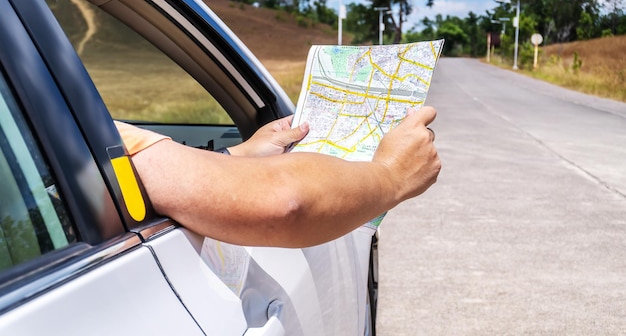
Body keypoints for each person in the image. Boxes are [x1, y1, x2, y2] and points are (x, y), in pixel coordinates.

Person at [116, 106, 440, 248]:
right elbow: (286, 204)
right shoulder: (87, 135)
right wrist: (392, 175)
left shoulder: (78, 138)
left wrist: (238, 155)